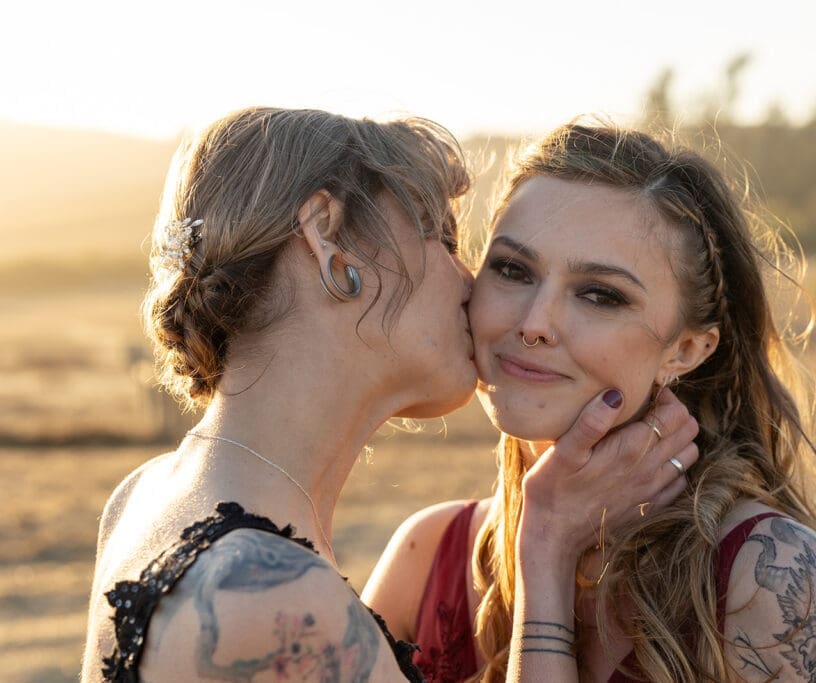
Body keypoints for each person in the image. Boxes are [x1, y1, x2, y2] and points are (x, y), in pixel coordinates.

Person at [81, 107, 696, 682]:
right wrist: (548, 545)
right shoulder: (276, 602)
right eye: (440, 237)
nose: (467, 281)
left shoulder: (144, 494)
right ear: (328, 238)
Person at [363, 122, 816, 682]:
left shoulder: (765, 574)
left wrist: (546, 546)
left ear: (686, 350)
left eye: (599, 295)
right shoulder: (427, 555)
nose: (535, 323)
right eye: (513, 270)